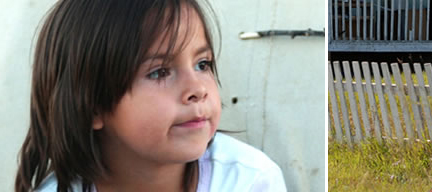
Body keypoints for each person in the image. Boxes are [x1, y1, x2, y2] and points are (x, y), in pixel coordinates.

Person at [15, 0, 286, 191]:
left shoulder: (249, 181)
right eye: (159, 72)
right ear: (92, 105)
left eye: (202, 64)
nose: (198, 89)